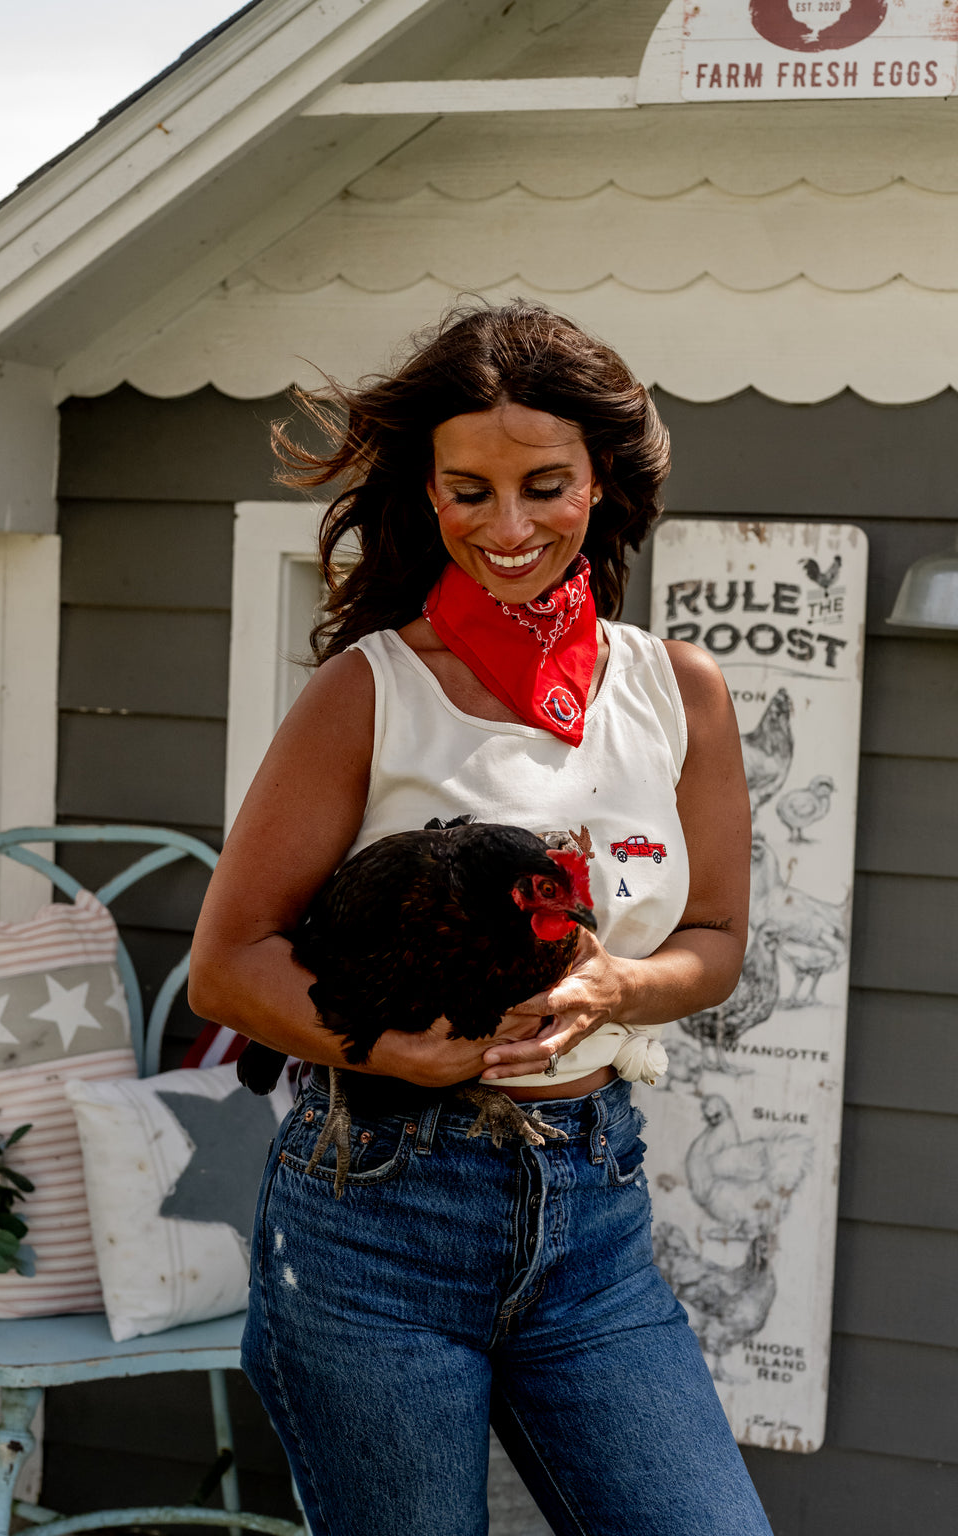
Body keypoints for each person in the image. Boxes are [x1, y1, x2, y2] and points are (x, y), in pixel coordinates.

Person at [188, 301, 771, 1536]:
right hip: (376, 1207)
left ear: (602, 484)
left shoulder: (683, 693)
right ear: (430, 494)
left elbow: (715, 942)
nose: (507, 528)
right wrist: (387, 1050)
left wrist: (619, 989)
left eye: (544, 485)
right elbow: (225, 970)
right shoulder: (369, 691)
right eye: (469, 492)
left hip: (594, 1208)